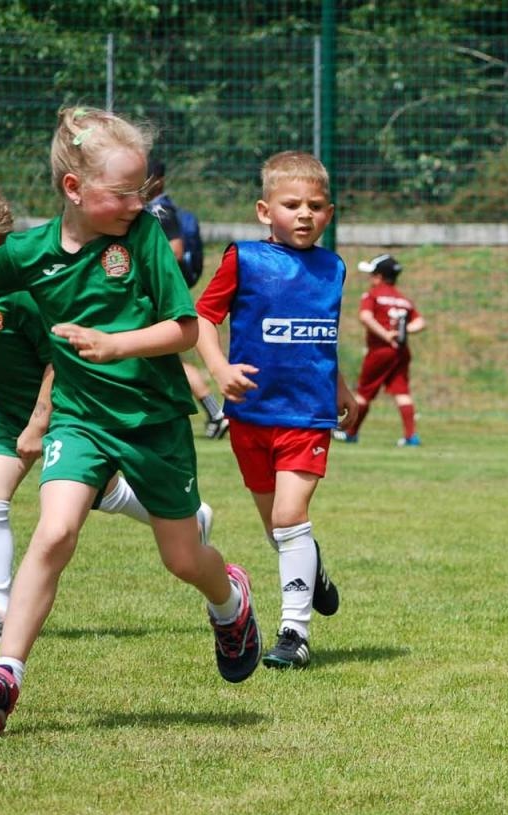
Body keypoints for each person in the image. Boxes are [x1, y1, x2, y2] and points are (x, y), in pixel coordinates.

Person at [0, 106, 262, 735]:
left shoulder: (145, 238)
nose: (137, 202)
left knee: (183, 559)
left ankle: (230, 600)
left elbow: (184, 329)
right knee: (54, 531)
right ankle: (4, 677)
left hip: (152, 421)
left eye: (142, 189)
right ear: (74, 188)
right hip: (80, 418)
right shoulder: (27, 253)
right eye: (124, 191)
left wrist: (117, 344)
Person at [0, 183, 214, 645]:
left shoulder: (22, 295)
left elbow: (61, 357)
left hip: (66, 410)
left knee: (110, 501)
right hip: (15, 419)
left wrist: (41, 421)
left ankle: (188, 522)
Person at [193, 151, 353, 671]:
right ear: (266, 211)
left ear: (329, 213)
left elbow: (321, 338)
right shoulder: (244, 259)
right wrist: (219, 369)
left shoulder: (333, 268)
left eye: (316, 206)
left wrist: (341, 388)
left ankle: (294, 634)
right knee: (278, 527)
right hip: (251, 416)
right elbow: (202, 316)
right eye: (292, 204)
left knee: (289, 517)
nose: (304, 214)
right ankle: (314, 569)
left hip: (306, 415)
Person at [144, 157, 230, 440]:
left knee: (166, 358)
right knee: (161, 359)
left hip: (158, 297)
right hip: (160, 296)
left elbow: (175, 252)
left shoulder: (160, 211)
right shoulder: (157, 210)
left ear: (157, 180)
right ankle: (214, 412)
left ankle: (216, 412)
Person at [341, 253, 425, 446]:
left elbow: (365, 317)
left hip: (380, 352)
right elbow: (420, 322)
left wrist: (386, 335)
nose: (370, 279)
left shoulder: (373, 295)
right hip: (401, 351)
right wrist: (403, 332)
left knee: (364, 393)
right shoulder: (403, 299)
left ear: (379, 276)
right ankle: (411, 436)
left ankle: (351, 433)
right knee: (402, 393)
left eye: (372, 274)